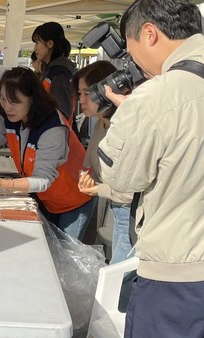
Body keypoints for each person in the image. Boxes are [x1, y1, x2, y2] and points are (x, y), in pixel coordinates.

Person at [97, 1, 204, 337]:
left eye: (130, 47)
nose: (132, 61)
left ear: (149, 34)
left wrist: (128, 115)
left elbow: (121, 180)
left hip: (179, 276)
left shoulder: (153, 97)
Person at [0, 67, 93, 241]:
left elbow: (43, 179)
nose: (7, 107)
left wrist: (3, 184)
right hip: (45, 199)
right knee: (50, 249)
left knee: (68, 255)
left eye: (14, 101)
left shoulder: (53, 128)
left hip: (74, 201)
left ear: (32, 99)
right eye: (2, 99)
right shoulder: (9, 116)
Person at [74, 61, 133, 264]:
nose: (80, 100)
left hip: (130, 212)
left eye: (86, 93)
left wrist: (97, 189)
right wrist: (85, 177)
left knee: (121, 274)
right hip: (116, 207)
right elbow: (88, 162)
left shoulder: (126, 127)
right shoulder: (100, 124)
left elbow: (130, 189)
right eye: (79, 94)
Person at [32, 22, 76, 121]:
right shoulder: (50, 70)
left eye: (37, 42)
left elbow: (61, 113)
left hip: (55, 133)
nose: (35, 48)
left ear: (50, 44)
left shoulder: (59, 74)